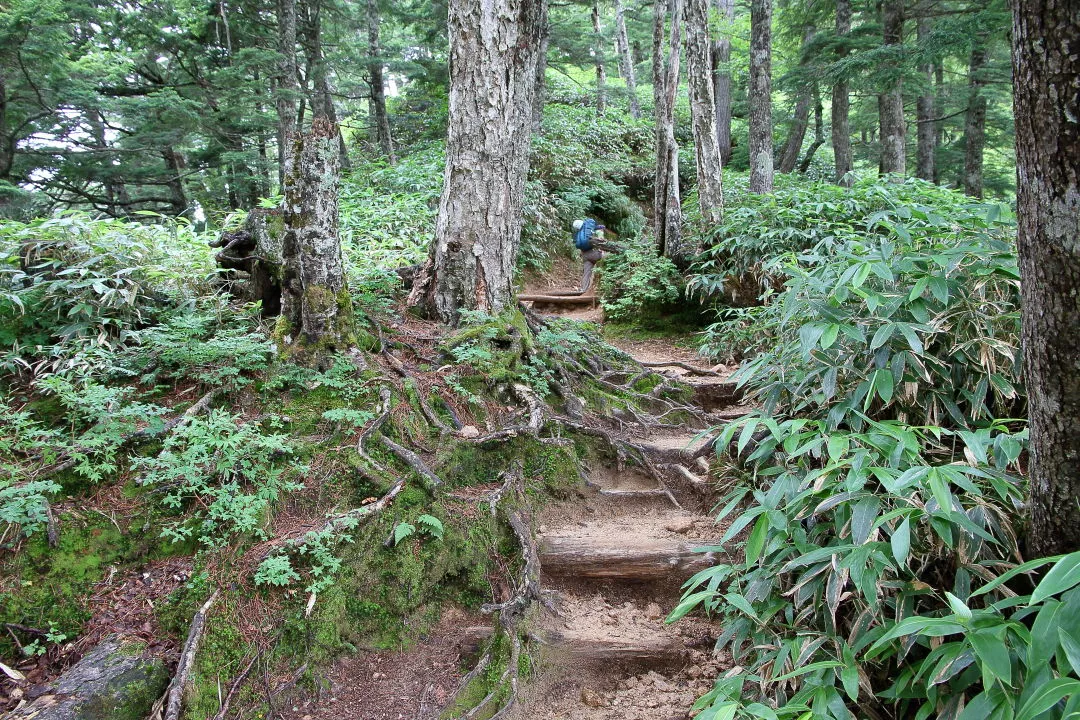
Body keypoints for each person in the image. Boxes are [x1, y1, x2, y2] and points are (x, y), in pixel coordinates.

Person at [572, 218, 607, 294]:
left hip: (585, 256)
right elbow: (600, 241)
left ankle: (583, 289)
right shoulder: (590, 230)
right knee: (607, 257)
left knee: (586, 273)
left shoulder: (580, 234)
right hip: (594, 254)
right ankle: (602, 288)